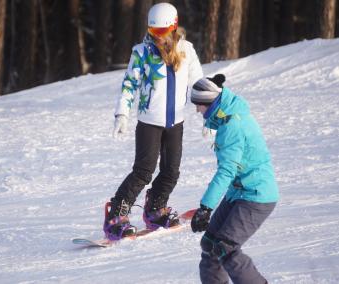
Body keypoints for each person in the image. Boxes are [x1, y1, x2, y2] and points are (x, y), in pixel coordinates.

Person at [103, 2, 204, 241]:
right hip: (149, 123)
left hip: (175, 123)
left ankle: (156, 207)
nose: (157, 37)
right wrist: (122, 113)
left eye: (161, 32)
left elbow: (198, 84)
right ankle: (116, 214)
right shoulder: (142, 52)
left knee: (171, 171)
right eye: (153, 32)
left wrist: (210, 116)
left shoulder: (186, 50)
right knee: (143, 172)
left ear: (173, 27)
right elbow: (130, 84)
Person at [189, 74, 279, 284]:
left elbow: (226, 171)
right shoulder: (226, 116)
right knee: (211, 244)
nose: (197, 110)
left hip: (256, 195)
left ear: (209, 103)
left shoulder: (232, 125)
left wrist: (206, 207)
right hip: (239, 192)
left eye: (198, 105)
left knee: (225, 248)